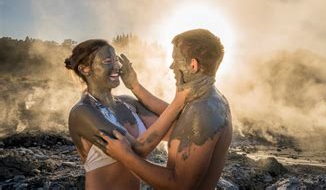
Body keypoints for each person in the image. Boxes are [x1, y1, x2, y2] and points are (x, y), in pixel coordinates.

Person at [100, 29, 233, 190]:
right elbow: (176, 116)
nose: (171, 66)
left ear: (193, 65)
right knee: (129, 101)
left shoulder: (202, 111)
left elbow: (180, 185)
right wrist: (134, 85)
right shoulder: (207, 96)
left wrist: (126, 156)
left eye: (175, 59)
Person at [66, 39, 203, 189]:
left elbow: (182, 127)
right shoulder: (82, 112)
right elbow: (136, 151)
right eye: (107, 61)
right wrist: (178, 102)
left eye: (115, 60)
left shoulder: (128, 103)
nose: (116, 66)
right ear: (85, 69)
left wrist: (135, 86)